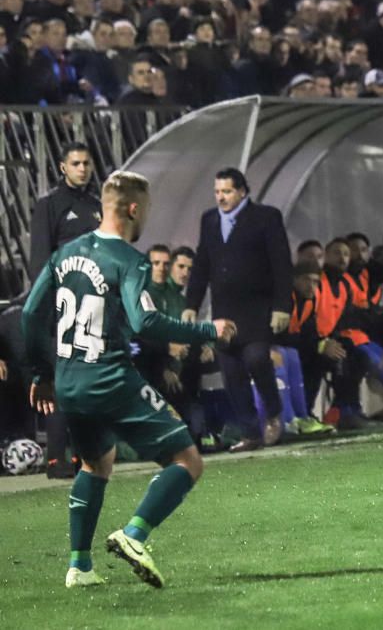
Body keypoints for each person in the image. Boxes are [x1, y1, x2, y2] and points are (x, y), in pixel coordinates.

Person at [21, 170, 236, 587]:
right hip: (111, 379)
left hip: (68, 382)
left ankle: (79, 567)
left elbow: (31, 314)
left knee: (95, 463)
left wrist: (41, 373)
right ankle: (135, 534)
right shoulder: (128, 260)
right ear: (134, 208)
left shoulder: (65, 253)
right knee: (187, 461)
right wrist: (208, 330)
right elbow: (145, 321)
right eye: (147, 211)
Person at [183, 168, 293, 453]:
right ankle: (250, 432)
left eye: (227, 191)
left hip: (258, 309)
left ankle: (272, 412)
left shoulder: (266, 217)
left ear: (242, 191)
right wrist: (191, 305)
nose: (221, 197)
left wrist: (282, 306)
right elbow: (202, 265)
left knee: (257, 358)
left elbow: (282, 265)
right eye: (218, 192)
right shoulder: (209, 220)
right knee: (231, 370)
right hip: (224, 312)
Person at [28, 142, 101, 479]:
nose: (82, 168)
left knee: (88, 380)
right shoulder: (49, 206)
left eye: (86, 163)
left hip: (95, 303)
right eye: (75, 163)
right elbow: (41, 258)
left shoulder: (96, 206)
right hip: (63, 305)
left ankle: (85, 453)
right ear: (62, 167)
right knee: (63, 380)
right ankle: (57, 457)